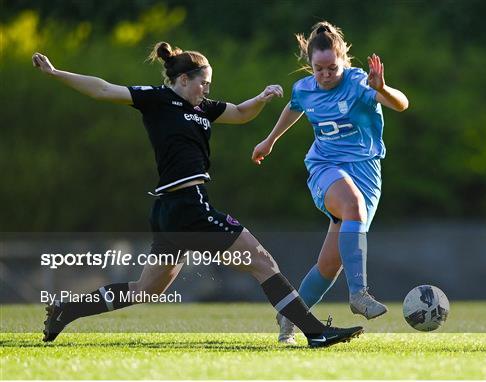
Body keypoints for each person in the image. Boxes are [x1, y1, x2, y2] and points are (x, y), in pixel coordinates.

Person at [32, 41, 364, 348]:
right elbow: (103, 89)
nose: (207, 89)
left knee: (145, 290)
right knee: (263, 262)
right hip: (187, 206)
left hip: (170, 211)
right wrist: (55, 72)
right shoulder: (158, 100)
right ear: (184, 80)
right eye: (203, 83)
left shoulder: (202, 107)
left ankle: (66, 309)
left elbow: (239, 113)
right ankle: (315, 332)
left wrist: (261, 99)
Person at [252, 21, 409, 344]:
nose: (325, 75)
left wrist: (381, 88)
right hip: (325, 167)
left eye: (331, 68)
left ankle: (290, 317)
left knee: (329, 264)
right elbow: (294, 107)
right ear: (309, 65)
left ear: (343, 60)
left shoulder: (359, 83)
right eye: (318, 69)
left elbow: (402, 104)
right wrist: (270, 141)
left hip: (366, 172)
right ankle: (359, 295)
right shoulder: (305, 88)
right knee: (351, 206)